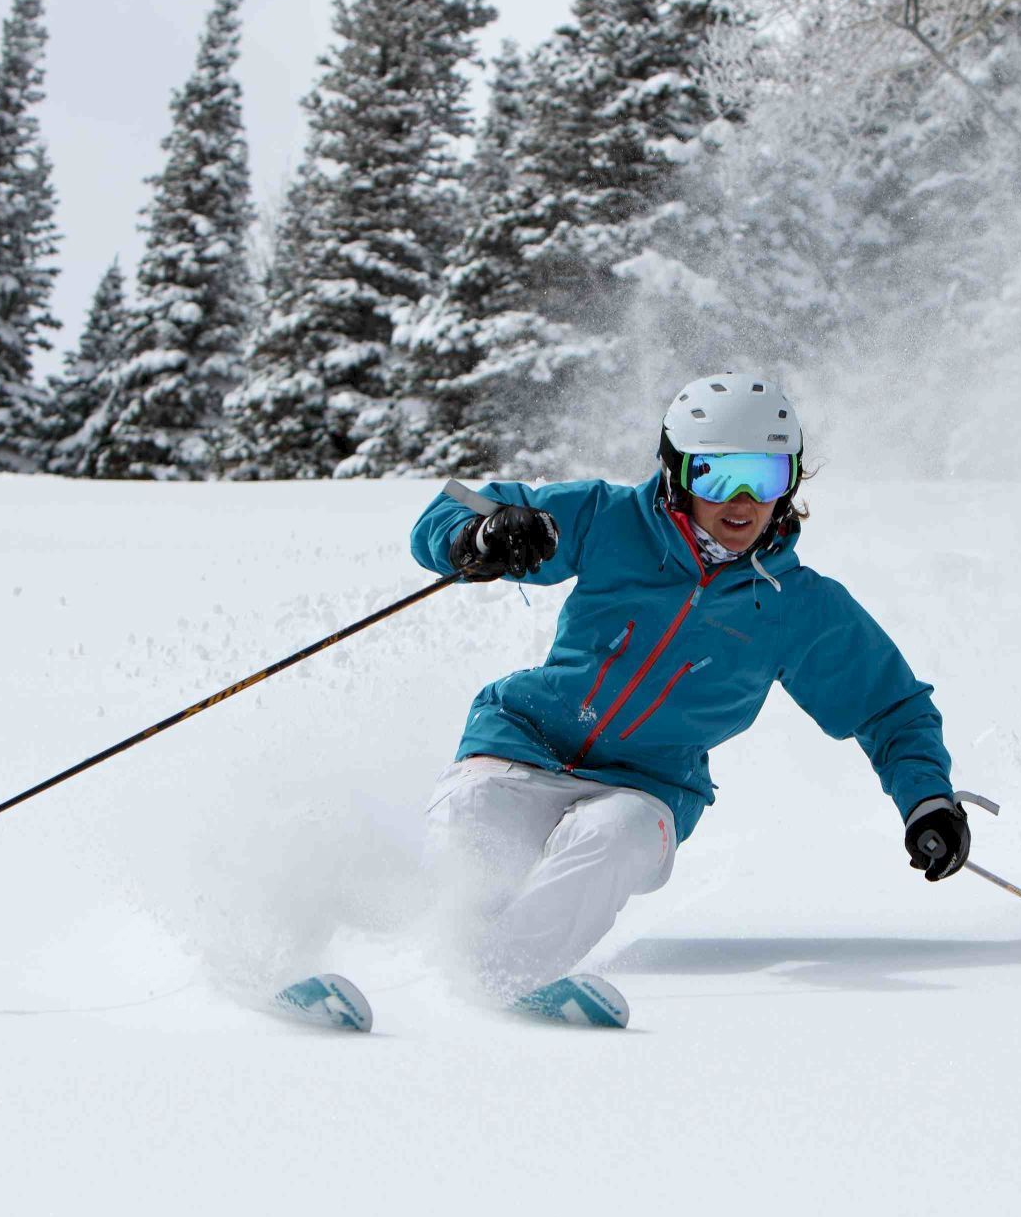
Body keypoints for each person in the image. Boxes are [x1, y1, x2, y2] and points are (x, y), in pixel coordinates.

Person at [407, 373, 969, 1013]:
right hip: (520, 745)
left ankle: (491, 987)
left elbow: (889, 706)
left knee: (610, 836)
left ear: (789, 484)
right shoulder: (607, 520)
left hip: (646, 789)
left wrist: (926, 798)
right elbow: (458, 508)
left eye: (763, 476)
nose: (740, 500)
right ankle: (414, 967)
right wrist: (482, 533)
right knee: (476, 825)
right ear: (677, 474)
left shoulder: (797, 605)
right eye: (715, 475)